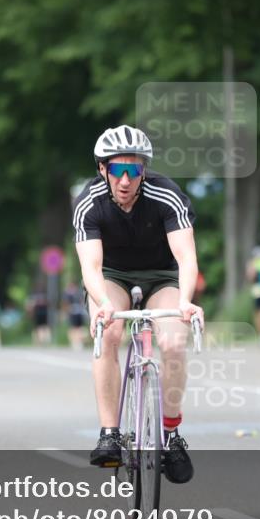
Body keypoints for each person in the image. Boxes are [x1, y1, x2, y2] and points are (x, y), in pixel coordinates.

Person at [73, 124, 204, 483]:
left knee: (174, 340)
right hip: (112, 276)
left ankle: (172, 434)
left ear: (144, 169)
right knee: (110, 331)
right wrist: (101, 304)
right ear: (103, 169)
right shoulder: (89, 203)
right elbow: (91, 267)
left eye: (134, 169)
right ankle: (109, 433)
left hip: (162, 275)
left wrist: (187, 301)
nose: (126, 179)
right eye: (118, 170)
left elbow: (186, 258)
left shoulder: (166, 195)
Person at [62, 282, 87, 351]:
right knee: (73, 328)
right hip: (72, 313)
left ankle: (79, 342)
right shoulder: (67, 294)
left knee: (79, 328)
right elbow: (65, 304)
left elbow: (82, 302)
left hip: (78, 313)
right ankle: (74, 342)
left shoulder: (78, 293)